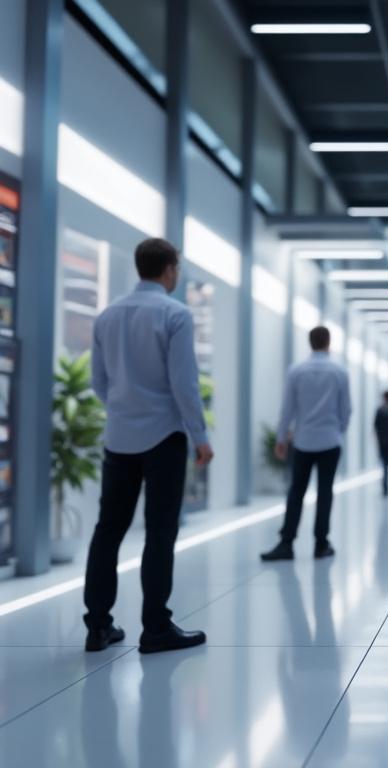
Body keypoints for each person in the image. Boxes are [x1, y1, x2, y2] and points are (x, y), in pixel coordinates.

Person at [84, 237, 213, 654]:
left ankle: (98, 626)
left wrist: (124, 409)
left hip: (119, 439)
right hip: (164, 439)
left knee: (109, 530)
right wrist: (201, 436)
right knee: (159, 532)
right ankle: (155, 627)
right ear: (170, 269)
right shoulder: (175, 314)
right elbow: (184, 384)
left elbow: (98, 383)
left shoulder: (107, 316)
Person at [262, 325, 352, 562]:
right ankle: (321, 544)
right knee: (325, 493)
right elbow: (346, 410)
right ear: (328, 342)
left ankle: (286, 543)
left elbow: (287, 409)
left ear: (310, 342)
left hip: (303, 441)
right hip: (330, 441)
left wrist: (281, 438)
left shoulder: (296, 371)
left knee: (296, 492)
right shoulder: (339, 372)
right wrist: (337, 430)